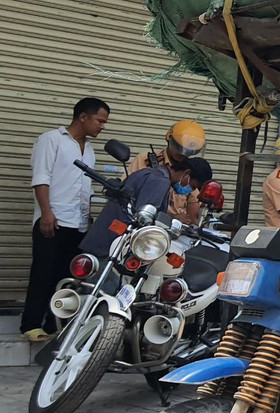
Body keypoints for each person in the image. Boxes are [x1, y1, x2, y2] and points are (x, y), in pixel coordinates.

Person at [23, 97, 110, 341]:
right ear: (83, 117)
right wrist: (46, 213)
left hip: (78, 222)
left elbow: (85, 187)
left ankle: (54, 325)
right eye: (100, 121)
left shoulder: (89, 150)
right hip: (54, 219)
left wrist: (89, 218)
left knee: (68, 277)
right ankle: (30, 326)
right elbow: (41, 178)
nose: (102, 127)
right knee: (43, 273)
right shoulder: (51, 140)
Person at [80, 157, 212, 259]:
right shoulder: (160, 181)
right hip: (110, 248)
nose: (190, 190)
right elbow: (143, 220)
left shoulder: (154, 174)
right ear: (187, 173)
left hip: (105, 242)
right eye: (193, 186)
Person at [126, 120, 208, 226]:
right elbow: (138, 210)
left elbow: (193, 210)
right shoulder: (148, 163)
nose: (182, 153)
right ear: (169, 138)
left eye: (187, 151)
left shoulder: (191, 171)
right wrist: (170, 218)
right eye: (179, 148)